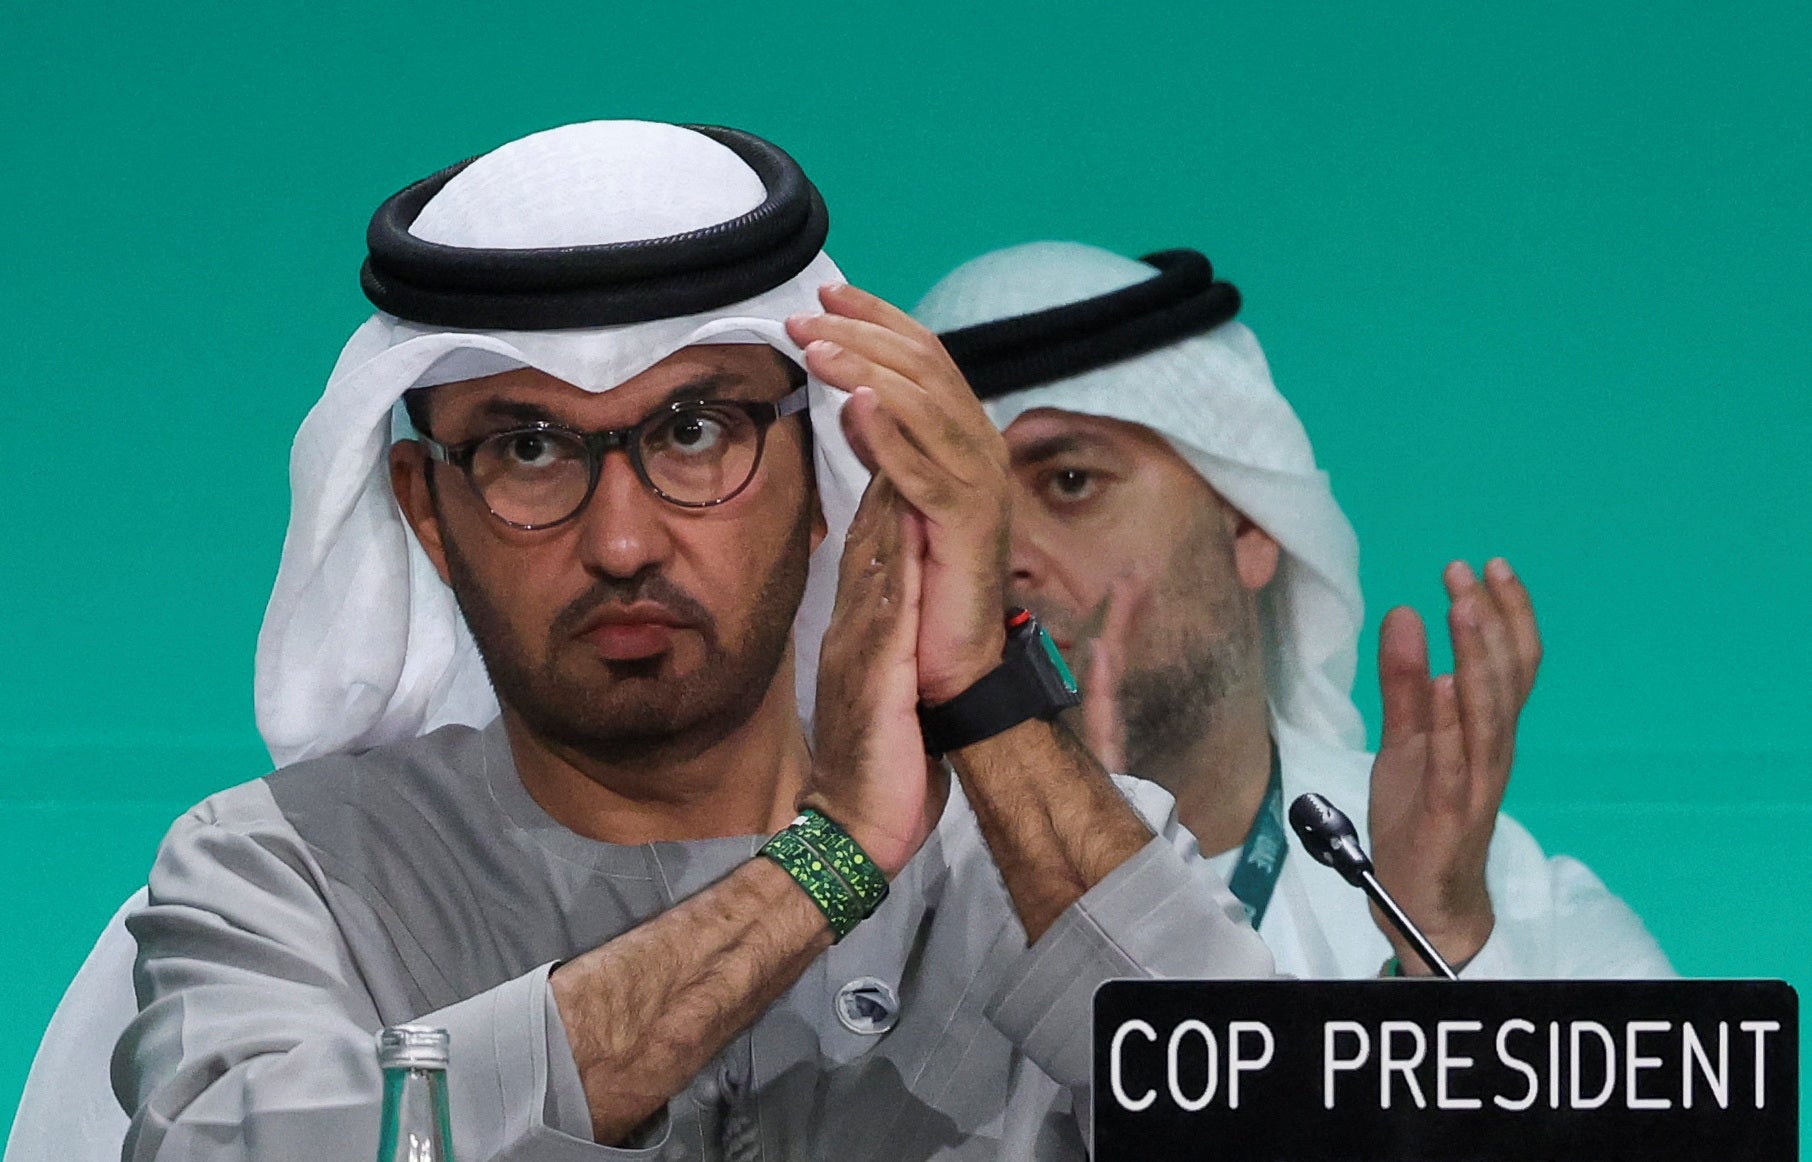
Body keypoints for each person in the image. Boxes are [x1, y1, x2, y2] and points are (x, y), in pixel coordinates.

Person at [110, 125, 1271, 1161]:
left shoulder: (1020, 860)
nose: (621, 541)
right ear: (426, 507)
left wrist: (982, 698)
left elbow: (1280, 1129)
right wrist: (827, 863)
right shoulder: (289, 874)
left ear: (815, 473)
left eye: (697, 432)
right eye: (527, 450)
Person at [912, 241, 1674, 980]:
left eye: (1071, 481)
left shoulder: (1511, 901)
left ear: (1246, 523)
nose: (1001, 556)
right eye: (946, 507)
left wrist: (1439, 945)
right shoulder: (871, 903)